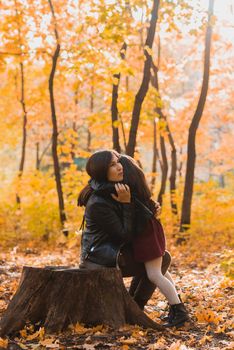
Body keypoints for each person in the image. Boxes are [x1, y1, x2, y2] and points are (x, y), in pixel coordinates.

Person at [77, 150, 171, 311]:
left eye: (118, 162)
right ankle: (136, 307)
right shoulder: (99, 201)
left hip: (113, 252)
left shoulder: (113, 190)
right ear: (102, 171)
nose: (120, 167)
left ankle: (133, 306)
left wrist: (149, 209)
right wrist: (126, 204)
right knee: (160, 261)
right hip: (100, 259)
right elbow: (125, 235)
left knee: (160, 257)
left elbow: (131, 222)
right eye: (112, 165)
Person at [119, 155, 190, 327]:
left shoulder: (127, 192)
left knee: (154, 274)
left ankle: (180, 312)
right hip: (148, 234)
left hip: (147, 236)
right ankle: (176, 308)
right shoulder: (136, 189)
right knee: (161, 272)